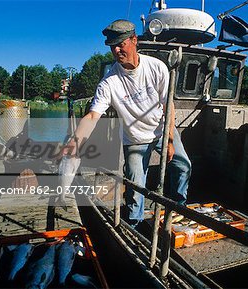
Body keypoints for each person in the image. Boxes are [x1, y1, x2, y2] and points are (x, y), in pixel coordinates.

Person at [65, 19, 191, 227]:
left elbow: (169, 105)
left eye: (121, 43)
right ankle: (134, 223)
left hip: (161, 129)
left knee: (183, 166)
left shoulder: (156, 68)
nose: (116, 50)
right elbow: (92, 116)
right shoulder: (109, 82)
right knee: (135, 185)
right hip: (135, 139)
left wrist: (169, 139)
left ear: (134, 40)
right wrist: (74, 142)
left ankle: (179, 207)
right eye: (112, 46)